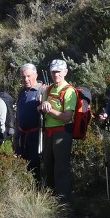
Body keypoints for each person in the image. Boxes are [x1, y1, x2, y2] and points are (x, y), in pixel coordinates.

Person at [40, 59, 77, 204]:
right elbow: (43, 108)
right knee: (48, 166)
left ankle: (63, 203)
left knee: (61, 168)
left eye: (59, 71)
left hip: (62, 133)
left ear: (65, 72)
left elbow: (67, 117)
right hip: (48, 133)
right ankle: (49, 200)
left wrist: (50, 110)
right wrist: (42, 107)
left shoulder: (69, 91)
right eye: (53, 71)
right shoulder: (48, 89)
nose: (56, 74)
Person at [15, 63, 45, 179]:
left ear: (36, 75)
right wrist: (16, 137)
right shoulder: (22, 92)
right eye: (23, 77)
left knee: (35, 165)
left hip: (36, 136)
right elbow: (18, 114)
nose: (26, 79)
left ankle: (38, 192)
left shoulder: (42, 90)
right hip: (22, 136)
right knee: (22, 164)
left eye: (28, 76)